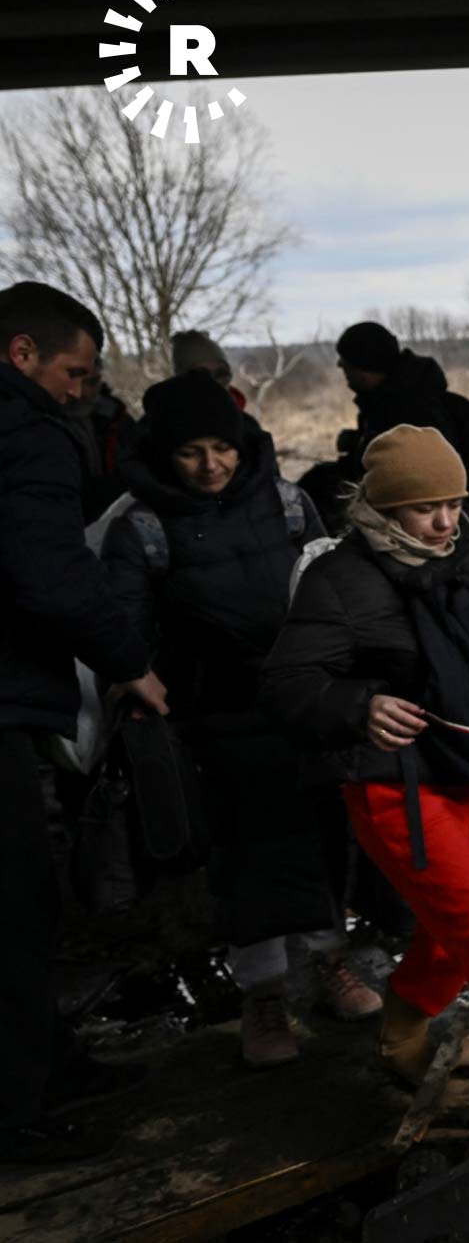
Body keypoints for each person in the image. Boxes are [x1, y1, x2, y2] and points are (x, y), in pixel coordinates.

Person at [261, 425, 469, 1119]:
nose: (444, 521)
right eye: (424, 508)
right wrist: (359, 702)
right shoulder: (337, 578)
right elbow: (287, 682)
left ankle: (401, 1030)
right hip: (393, 788)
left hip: (467, 769)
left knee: (457, 923)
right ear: (383, 509)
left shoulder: (454, 553)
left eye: (454, 503)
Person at [101, 371, 381, 1068]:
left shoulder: (288, 505)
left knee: (323, 836)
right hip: (213, 718)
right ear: (165, 452)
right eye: (191, 451)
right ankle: (264, 997)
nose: (210, 464)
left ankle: (330, 964)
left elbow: (330, 587)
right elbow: (124, 630)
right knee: (245, 855)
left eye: (220, 447)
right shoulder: (140, 527)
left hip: (302, 703)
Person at [0, 281, 165, 1165]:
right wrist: (130, 660)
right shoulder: (24, 432)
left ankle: (46, 1066)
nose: (82, 389)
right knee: (17, 905)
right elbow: (51, 573)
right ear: (22, 354)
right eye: (76, 370)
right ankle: (19, 1108)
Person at [296, 322, 469, 530]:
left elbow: (418, 477)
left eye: (347, 362)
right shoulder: (389, 400)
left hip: (422, 523)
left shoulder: (408, 409)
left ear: (365, 365)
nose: (340, 366)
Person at [63, 355, 139, 520]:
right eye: (75, 381)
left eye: (92, 382)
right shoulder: (39, 427)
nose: (82, 392)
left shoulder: (117, 419)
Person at [170, 328, 250, 411]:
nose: (217, 380)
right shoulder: (170, 420)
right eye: (201, 373)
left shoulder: (245, 421)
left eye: (221, 370)